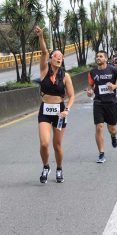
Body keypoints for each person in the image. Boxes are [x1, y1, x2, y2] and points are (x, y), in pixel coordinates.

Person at [34, 26, 75, 183]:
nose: (59, 58)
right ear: (51, 59)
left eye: (61, 57)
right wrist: (41, 36)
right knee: (44, 143)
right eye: (56, 56)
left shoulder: (66, 76)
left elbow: (71, 96)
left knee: (57, 145)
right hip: (45, 110)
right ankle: (46, 166)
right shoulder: (44, 70)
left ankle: (59, 168)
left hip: (59, 112)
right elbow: (44, 51)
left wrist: (67, 110)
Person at [87, 50, 117, 163]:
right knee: (99, 127)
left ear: (105, 59)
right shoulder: (92, 72)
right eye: (97, 56)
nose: (98, 58)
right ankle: (101, 154)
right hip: (98, 102)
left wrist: (114, 86)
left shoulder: (113, 69)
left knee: (112, 129)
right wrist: (89, 92)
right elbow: (90, 86)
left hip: (111, 102)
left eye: (100, 56)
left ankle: (113, 137)